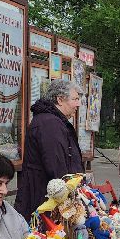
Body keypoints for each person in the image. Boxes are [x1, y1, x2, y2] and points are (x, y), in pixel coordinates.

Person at [15, 79, 84, 220]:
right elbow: (57, 168)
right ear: (60, 99)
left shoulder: (52, 121)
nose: (78, 104)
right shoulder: (50, 124)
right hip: (45, 198)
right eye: (75, 99)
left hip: (45, 195)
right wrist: (67, 197)